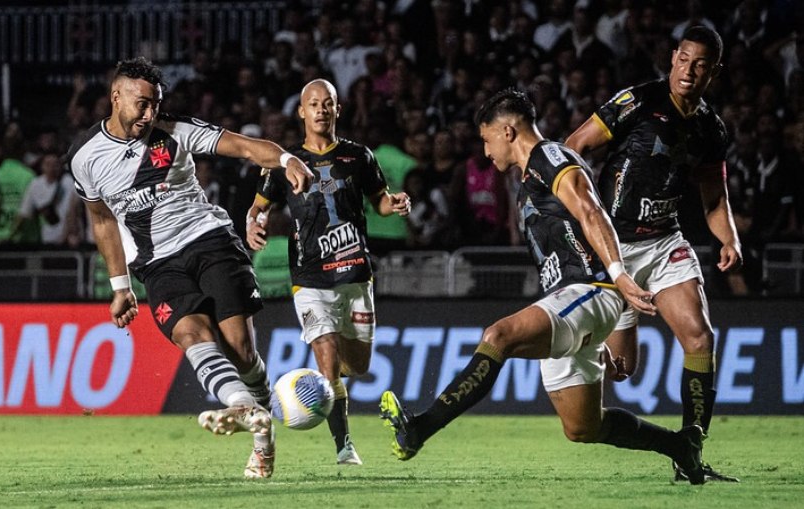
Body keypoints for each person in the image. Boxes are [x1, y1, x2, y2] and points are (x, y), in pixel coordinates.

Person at [379, 88, 710, 485]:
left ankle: (418, 428)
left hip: (591, 289)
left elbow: (591, 210)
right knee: (582, 427)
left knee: (498, 336)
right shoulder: (529, 177)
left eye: (486, 140)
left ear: (507, 130)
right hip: (567, 298)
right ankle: (681, 447)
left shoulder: (550, 158)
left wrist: (619, 273)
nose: (485, 152)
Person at [67, 57, 313, 479]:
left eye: (155, 105)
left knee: (241, 350)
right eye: (142, 104)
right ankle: (246, 411)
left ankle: (257, 429)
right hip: (158, 263)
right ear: (116, 97)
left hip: (209, 240)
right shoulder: (85, 157)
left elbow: (245, 147)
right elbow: (103, 219)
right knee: (190, 333)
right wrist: (120, 285)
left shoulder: (175, 131)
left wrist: (287, 158)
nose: (149, 114)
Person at [565, 26, 742, 482]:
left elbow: (714, 198)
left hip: (665, 243)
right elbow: (574, 148)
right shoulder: (637, 102)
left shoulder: (710, 129)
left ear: (713, 72)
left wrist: (730, 239)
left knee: (700, 340)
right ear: (673, 58)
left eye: (701, 64)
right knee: (622, 370)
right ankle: (590, 351)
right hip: (612, 247)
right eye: (684, 59)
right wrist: (575, 216)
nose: (689, 70)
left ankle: (691, 451)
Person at [246, 79, 411, 465]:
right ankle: (344, 446)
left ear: (338, 110)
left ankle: (328, 387)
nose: (320, 109)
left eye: (328, 103)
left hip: (355, 275)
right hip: (310, 277)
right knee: (327, 356)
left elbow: (380, 203)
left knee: (359, 365)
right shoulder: (283, 162)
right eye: (313, 104)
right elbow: (258, 208)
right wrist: (255, 223)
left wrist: (396, 203)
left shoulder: (359, 157)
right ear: (301, 112)